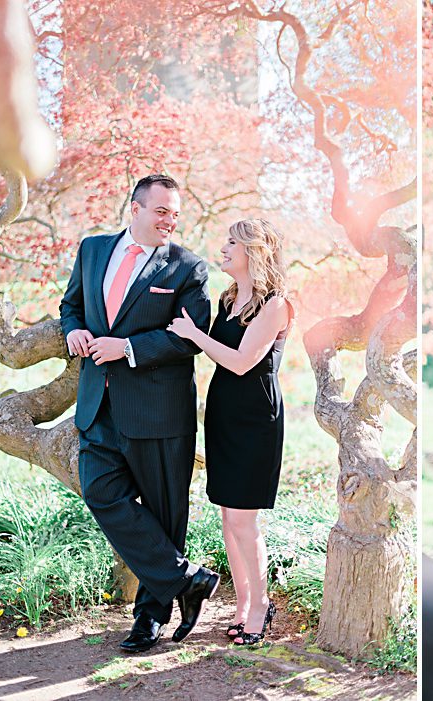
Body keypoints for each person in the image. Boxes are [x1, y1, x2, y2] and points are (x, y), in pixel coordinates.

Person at [59, 174, 219, 653]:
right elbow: (71, 306)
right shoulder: (92, 250)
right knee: (100, 492)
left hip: (158, 411)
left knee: (166, 513)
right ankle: (187, 579)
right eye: (161, 211)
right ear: (134, 208)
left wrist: (127, 346)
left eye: (175, 213)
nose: (170, 220)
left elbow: (189, 335)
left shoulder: (189, 268)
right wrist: (73, 332)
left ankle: (149, 619)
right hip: (97, 404)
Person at [168, 218, 293, 646]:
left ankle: (261, 606)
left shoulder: (275, 304)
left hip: (255, 418)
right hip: (222, 412)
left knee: (244, 520)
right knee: (227, 516)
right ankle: (242, 604)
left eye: (232, 243)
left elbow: (241, 361)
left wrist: (195, 335)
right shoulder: (226, 299)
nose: (223, 248)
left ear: (254, 251)